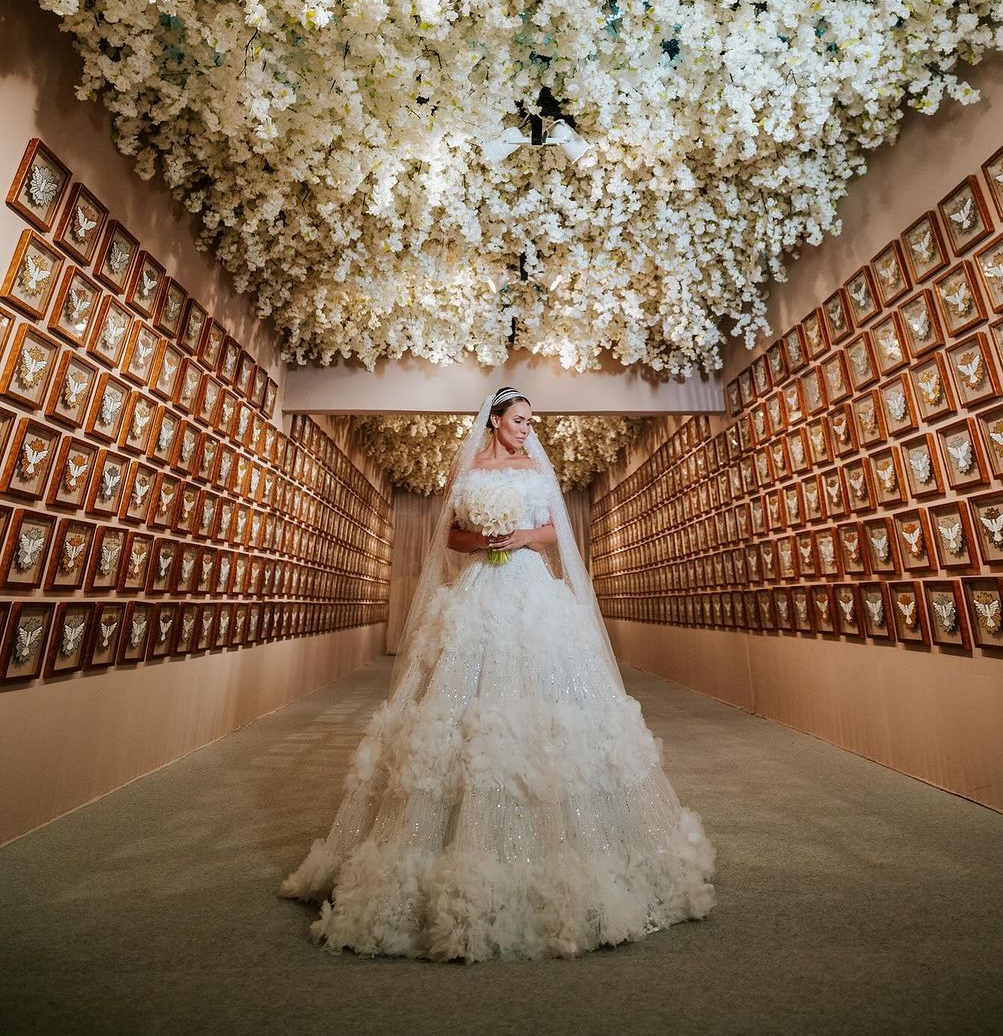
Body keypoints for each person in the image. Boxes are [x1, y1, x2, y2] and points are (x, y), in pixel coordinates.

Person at [279, 387, 716, 961]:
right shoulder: (469, 470)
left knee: (548, 706)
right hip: (480, 586)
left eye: (531, 422)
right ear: (495, 420)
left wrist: (521, 537)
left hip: (531, 586)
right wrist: (485, 539)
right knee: (456, 708)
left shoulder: (537, 468)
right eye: (519, 420)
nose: (527, 429)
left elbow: (555, 531)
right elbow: (452, 538)